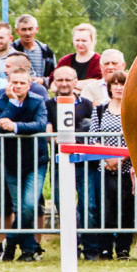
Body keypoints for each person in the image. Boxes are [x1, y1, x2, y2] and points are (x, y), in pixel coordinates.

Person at [0, 70, 49, 261]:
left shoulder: (38, 100)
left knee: (29, 205)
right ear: (8, 83)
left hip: (35, 161)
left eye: (22, 83)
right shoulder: (0, 101)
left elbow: (40, 125)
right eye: (14, 82)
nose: (18, 86)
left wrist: (15, 127)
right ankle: (28, 250)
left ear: (29, 85)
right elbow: (0, 125)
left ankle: (10, 242)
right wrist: (13, 103)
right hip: (10, 162)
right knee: (19, 206)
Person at [47, 66, 98, 260]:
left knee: (89, 206)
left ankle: (91, 248)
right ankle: (71, 247)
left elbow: (93, 131)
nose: (64, 83)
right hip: (61, 163)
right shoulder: (49, 105)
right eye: (60, 80)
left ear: (76, 82)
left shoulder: (87, 104)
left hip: (85, 163)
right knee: (63, 205)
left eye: (68, 79)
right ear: (54, 83)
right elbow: (49, 133)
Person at [88, 71, 135, 260]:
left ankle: (123, 250)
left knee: (127, 210)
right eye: (114, 83)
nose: (118, 87)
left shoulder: (133, 111)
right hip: (104, 168)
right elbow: (92, 137)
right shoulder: (100, 110)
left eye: (122, 83)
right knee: (105, 210)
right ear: (109, 87)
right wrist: (107, 157)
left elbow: (136, 138)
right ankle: (104, 250)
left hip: (127, 169)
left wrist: (120, 158)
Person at [11, 14, 56, 85]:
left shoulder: (46, 51)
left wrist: (43, 81)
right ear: (17, 31)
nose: (27, 33)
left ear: (36, 29)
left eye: (30, 29)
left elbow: (54, 76)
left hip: (41, 92)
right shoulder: (12, 50)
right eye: (24, 29)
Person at [55, 23, 102, 88]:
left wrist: (68, 86)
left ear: (92, 40)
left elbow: (100, 84)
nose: (80, 44)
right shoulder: (65, 61)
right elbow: (53, 85)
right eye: (77, 40)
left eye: (84, 41)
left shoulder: (100, 61)